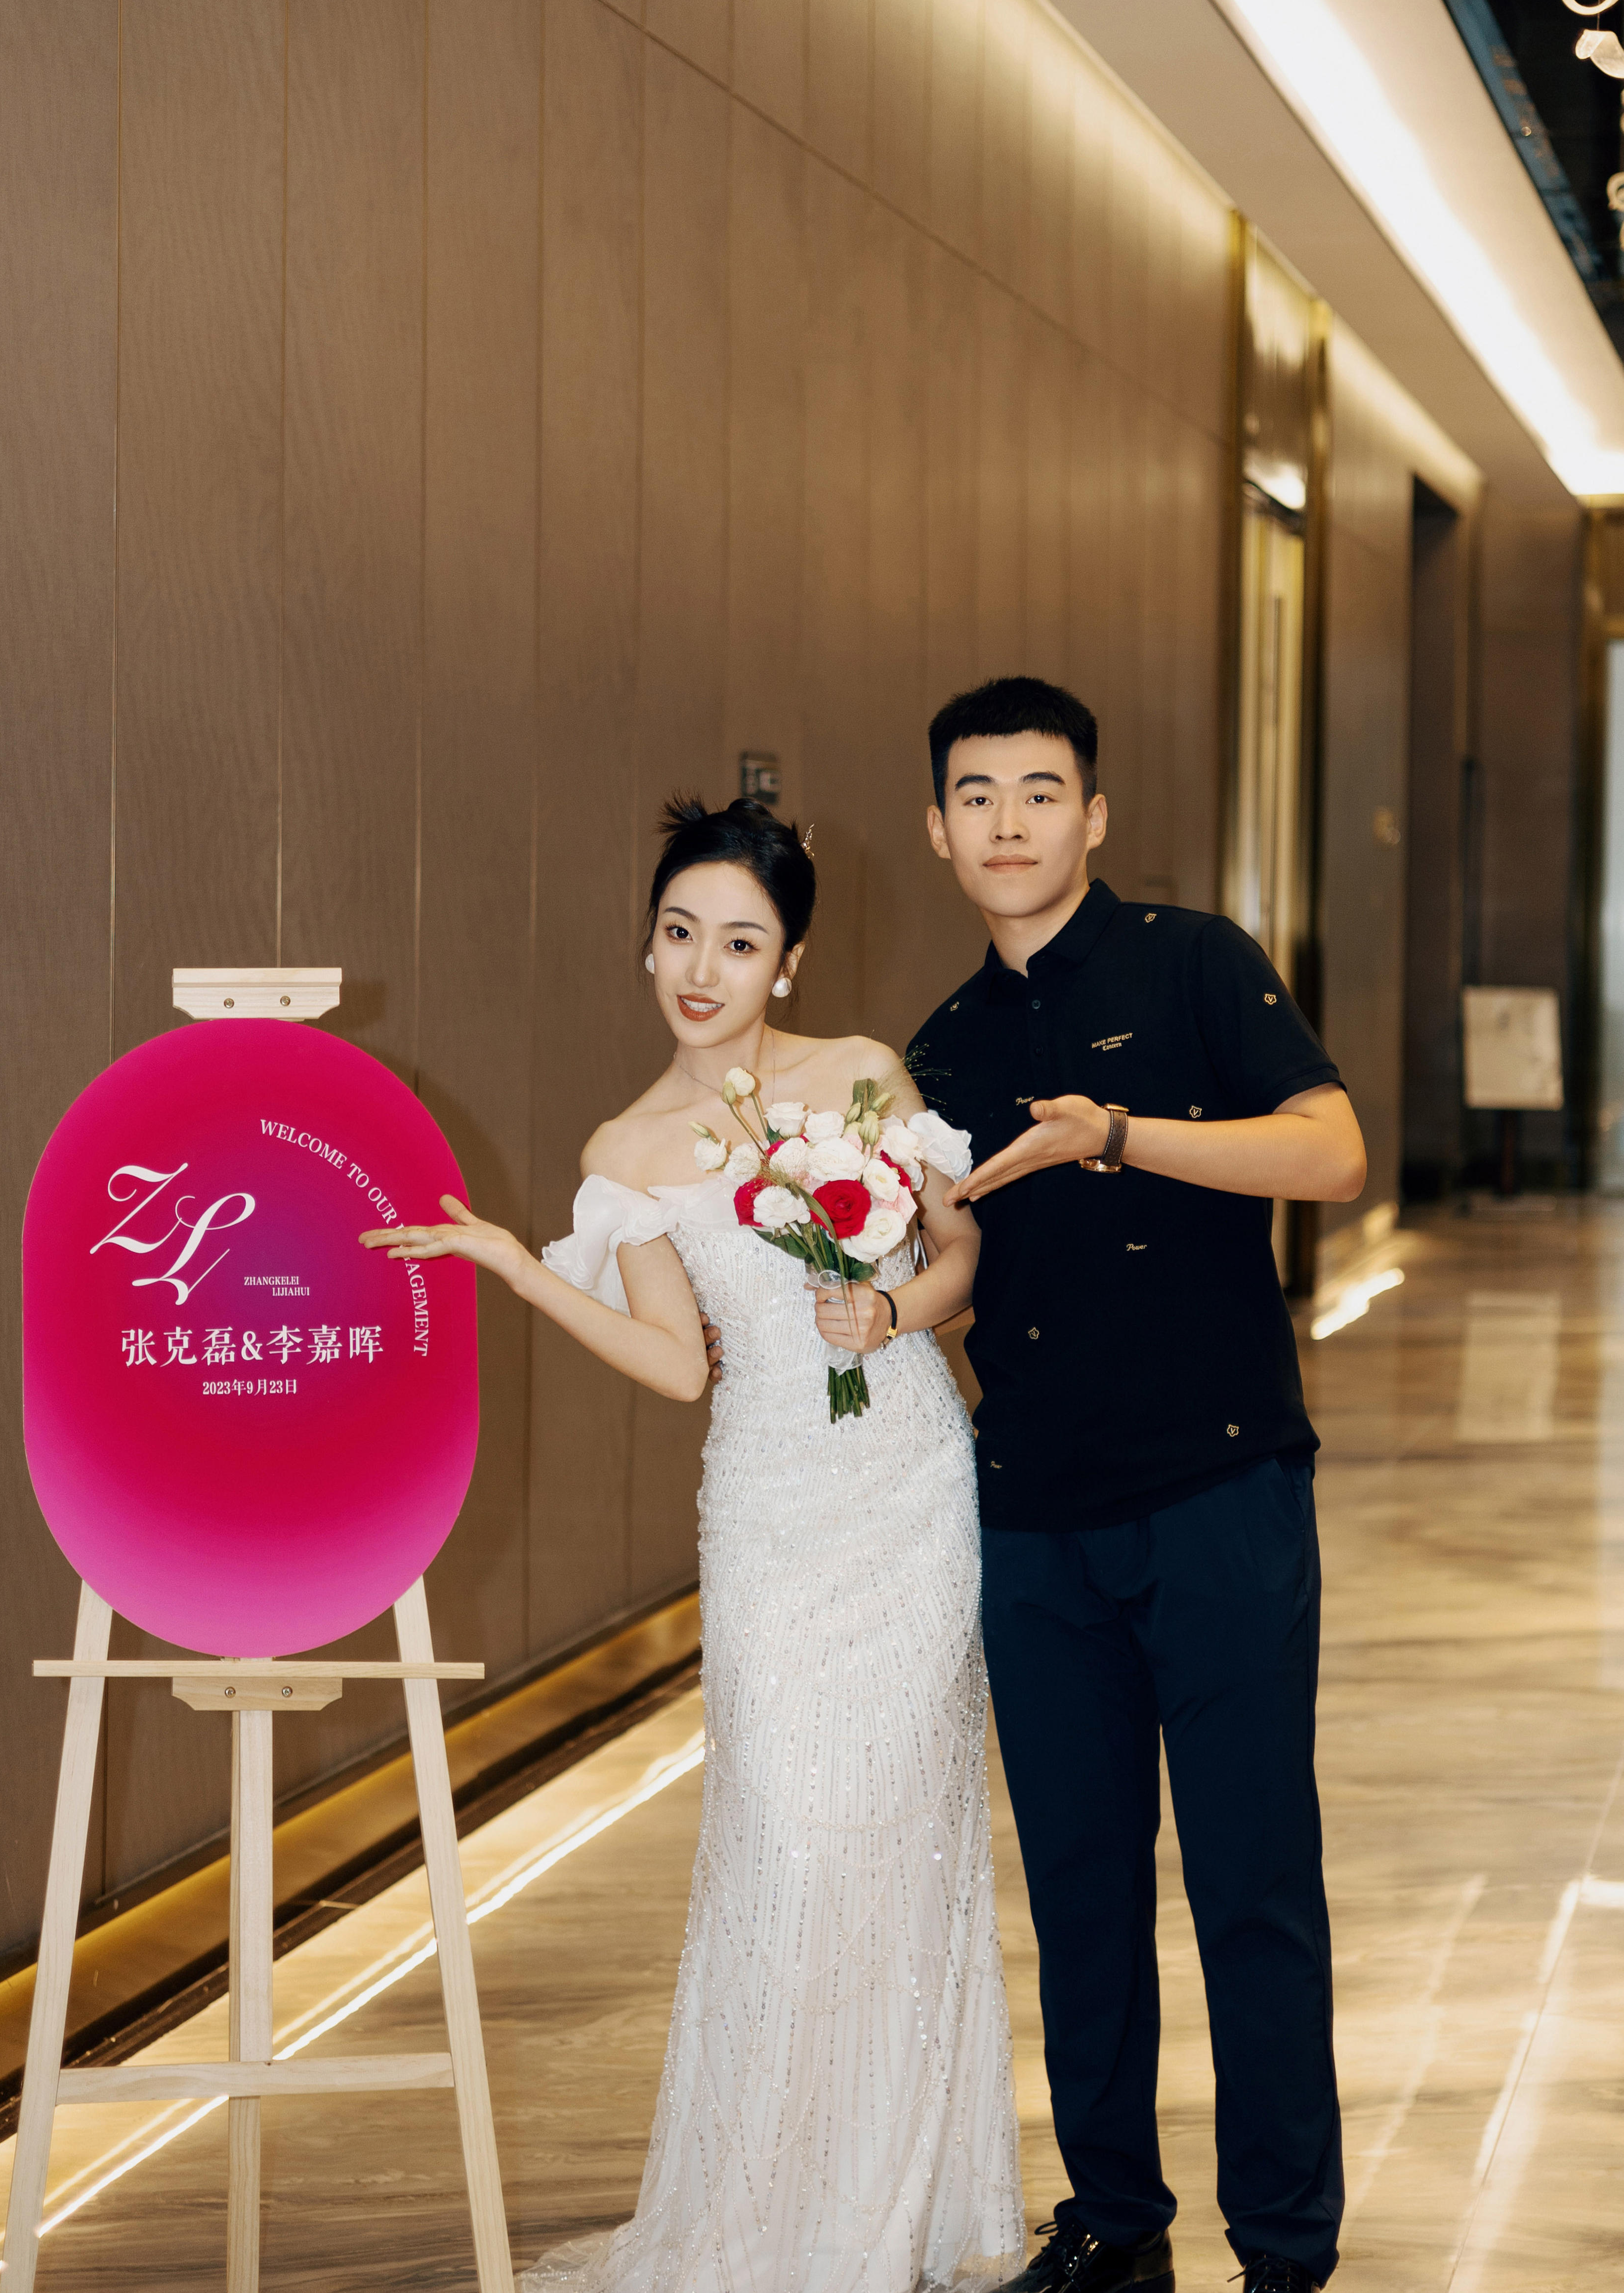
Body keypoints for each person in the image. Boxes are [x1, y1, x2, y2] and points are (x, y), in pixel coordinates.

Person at [362, 796, 1025, 2293]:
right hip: (771, 1509)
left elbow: (960, 1251)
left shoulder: (860, 1075)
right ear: (646, 945)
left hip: (908, 1484)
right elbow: (678, 1365)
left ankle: (898, 2202)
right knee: (785, 1832)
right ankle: (772, 2208)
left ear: (789, 960)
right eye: (679, 934)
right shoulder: (627, 1147)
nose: (702, 969)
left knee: (900, 1838)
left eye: (739, 941)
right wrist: (518, 1269)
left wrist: (889, 1309)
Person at [905, 678, 1366, 2293]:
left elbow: (1328, 1151)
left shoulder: (1194, 963)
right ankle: (1113, 2221)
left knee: (1252, 1879)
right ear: (937, 828)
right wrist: (864, 1284)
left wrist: (1118, 1132)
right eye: (976, 795)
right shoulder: (940, 1047)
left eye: (1040, 791)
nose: (1008, 822)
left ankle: (1284, 2246)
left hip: (1217, 1490)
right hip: (1034, 1518)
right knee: (1080, 1893)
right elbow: (962, 1264)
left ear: (1092, 815)